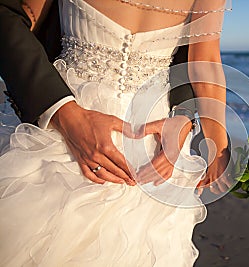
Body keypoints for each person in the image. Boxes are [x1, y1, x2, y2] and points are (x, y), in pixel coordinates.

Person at [0, 0, 231, 265]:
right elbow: (9, 15)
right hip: (65, 133)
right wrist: (64, 113)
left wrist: (189, 122)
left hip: (157, 151)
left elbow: (201, 56)